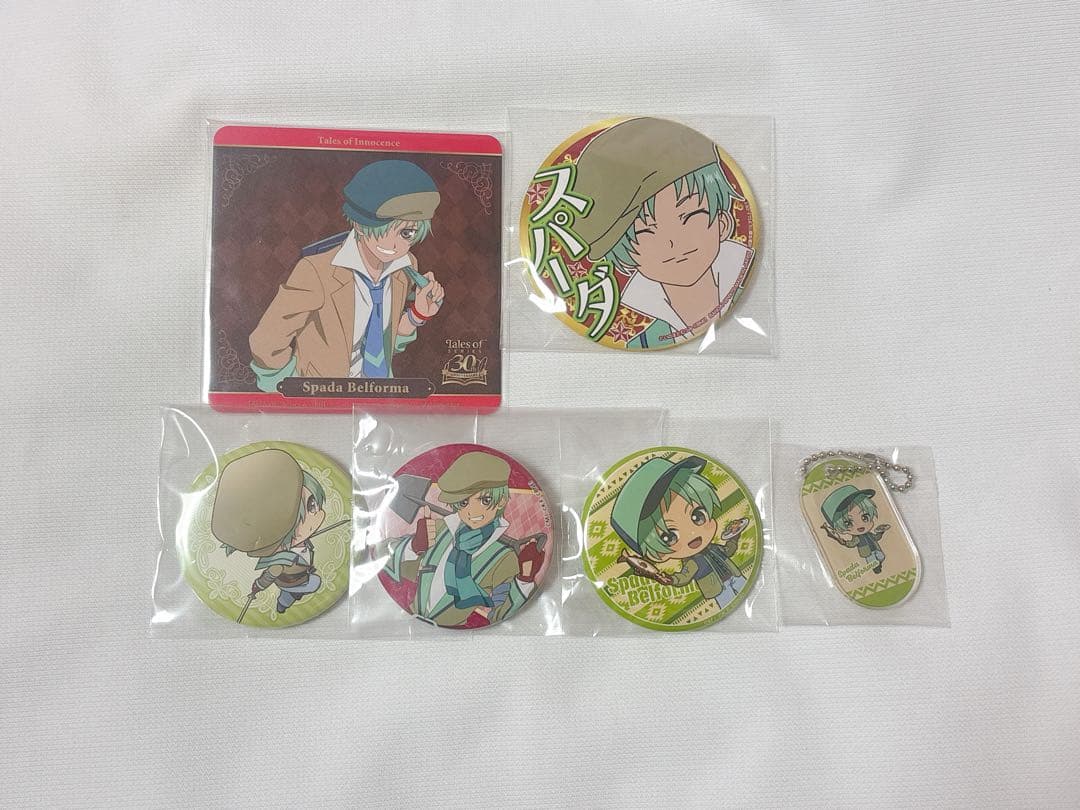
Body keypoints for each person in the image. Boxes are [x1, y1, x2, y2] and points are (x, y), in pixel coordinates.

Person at [249, 160, 446, 389]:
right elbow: (266, 341)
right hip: (323, 396)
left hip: (381, 393)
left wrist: (416, 315)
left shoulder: (406, 267)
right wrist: (288, 390)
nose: (395, 246)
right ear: (360, 225)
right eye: (382, 230)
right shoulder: (316, 271)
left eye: (407, 233)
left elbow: (384, 346)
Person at [572, 117, 754, 348]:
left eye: (689, 216)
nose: (672, 242)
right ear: (627, 255)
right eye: (647, 231)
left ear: (723, 223)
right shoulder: (643, 339)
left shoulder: (748, 288)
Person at [384, 451, 529, 627]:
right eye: (463, 502)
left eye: (485, 500)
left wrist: (525, 579)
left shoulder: (504, 557)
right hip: (411, 621)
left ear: (501, 501)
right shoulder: (438, 530)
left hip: (460, 637)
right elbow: (382, 557)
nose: (472, 512)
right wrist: (413, 546)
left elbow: (501, 612)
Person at [612, 455, 748, 610]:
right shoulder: (692, 564)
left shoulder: (714, 548)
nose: (692, 533)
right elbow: (683, 577)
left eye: (697, 516)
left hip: (737, 577)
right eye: (669, 537)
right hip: (719, 591)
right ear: (660, 555)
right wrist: (669, 579)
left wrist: (735, 536)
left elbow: (728, 550)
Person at [210, 448, 327, 614]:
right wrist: (257, 587)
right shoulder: (280, 560)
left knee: (306, 586)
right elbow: (269, 575)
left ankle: (289, 598)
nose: (319, 512)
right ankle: (283, 603)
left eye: (313, 504)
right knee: (298, 591)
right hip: (291, 583)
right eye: (310, 507)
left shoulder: (298, 543)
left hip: (304, 575)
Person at [820, 484, 889, 574]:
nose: (860, 525)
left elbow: (876, 537)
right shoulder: (856, 538)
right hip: (867, 553)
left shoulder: (869, 534)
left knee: (881, 557)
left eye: (865, 517)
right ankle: (876, 568)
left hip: (876, 548)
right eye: (848, 523)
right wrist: (843, 542)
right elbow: (851, 544)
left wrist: (881, 532)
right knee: (872, 562)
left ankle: (879, 565)